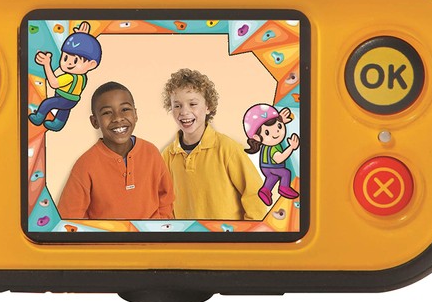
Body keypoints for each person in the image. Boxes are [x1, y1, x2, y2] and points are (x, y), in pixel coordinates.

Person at [58, 81, 175, 220]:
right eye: (107, 112)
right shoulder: (85, 165)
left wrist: (160, 228)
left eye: (125, 109)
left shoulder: (151, 152)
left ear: (135, 114)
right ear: (95, 122)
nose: (118, 118)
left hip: (152, 234)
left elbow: (166, 199)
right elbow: (68, 217)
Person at [161, 68, 266, 220]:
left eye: (192, 104)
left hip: (226, 235)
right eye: (177, 105)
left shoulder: (228, 149)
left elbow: (255, 194)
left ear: (208, 107)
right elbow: (164, 203)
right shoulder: (167, 156)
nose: (184, 112)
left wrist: (248, 232)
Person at [29, 21, 101, 132]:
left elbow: (53, 83)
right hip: (73, 100)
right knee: (64, 111)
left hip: (63, 98)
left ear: (91, 64)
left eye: (75, 60)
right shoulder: (82, 77)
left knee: (47, 103)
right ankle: (58, 123)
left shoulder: (69, 77)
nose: (69, 63)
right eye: (65, 58)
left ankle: (38, 117)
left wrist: (46, 64)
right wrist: (81, 37)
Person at [243, 103, 300, 206]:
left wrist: (280, 120)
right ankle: (284, 188)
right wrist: (291, 147)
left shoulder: (267, 145)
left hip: (266, 168)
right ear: (256, 137)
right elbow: (279, 159)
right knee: (286, 173)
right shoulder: (273, 147)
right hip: (273, 167)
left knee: (273, 178)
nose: (276, 133)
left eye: (279, 126)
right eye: (267, 133)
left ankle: (265, 191)